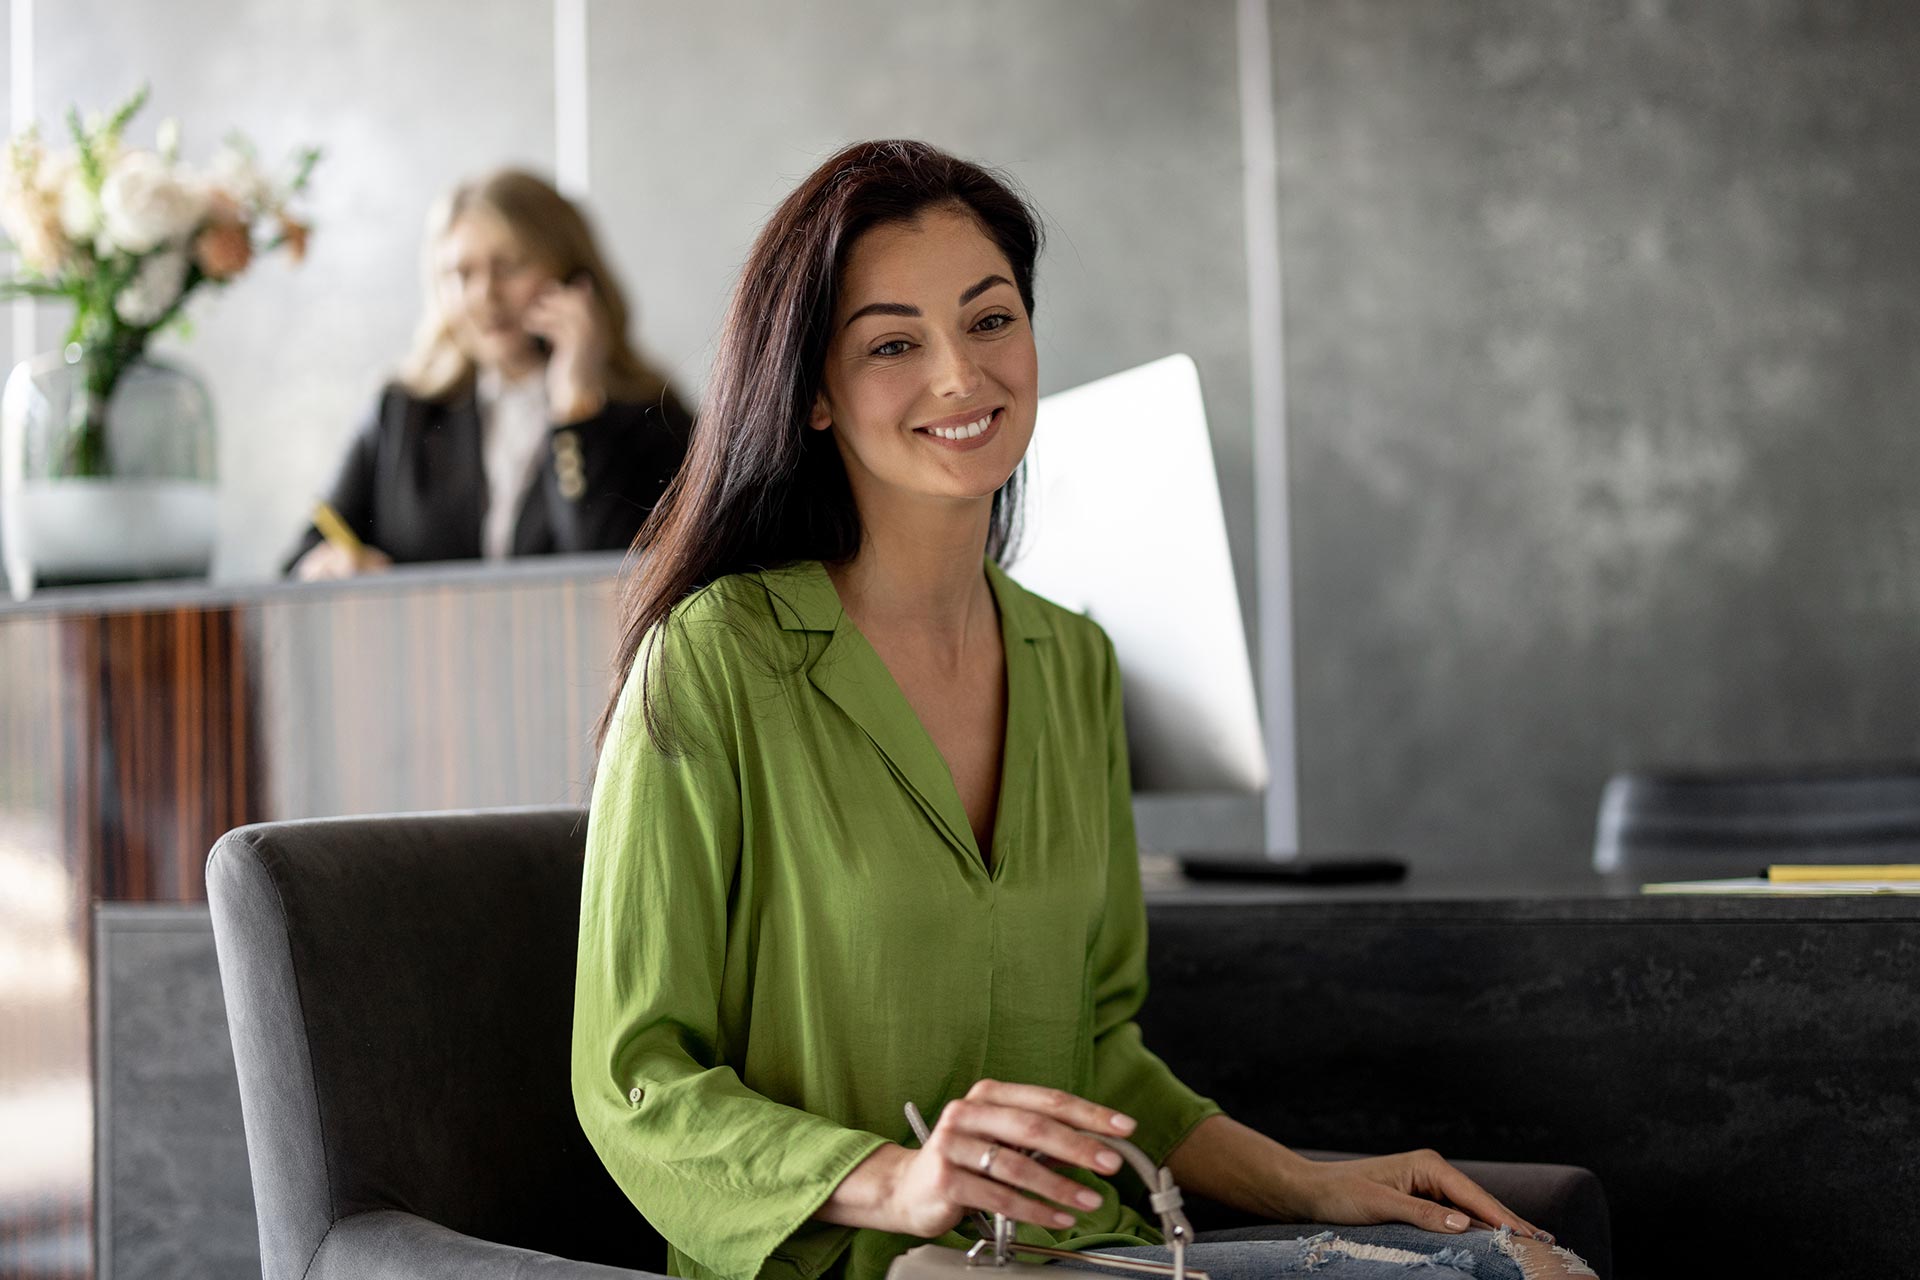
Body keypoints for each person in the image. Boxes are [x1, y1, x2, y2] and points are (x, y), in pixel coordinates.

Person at [571, 141, 1594, 1280]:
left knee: (1524, 1267)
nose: (961, 375)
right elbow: (636, 1075)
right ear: (814, 389)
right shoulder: (715, 657)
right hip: (859, 1262)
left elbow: (1096, 1053)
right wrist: (899, 1179)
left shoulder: (1071, 663)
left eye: (991, 319)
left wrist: (1312, 1179)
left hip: (1081, 1255)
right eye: (894, 343)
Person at [286, 169, 692, 579]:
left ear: (573, 277)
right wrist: (325, 565)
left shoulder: (653, 420)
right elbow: (300, 561)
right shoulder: (402, 412)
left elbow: (618, 578)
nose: (485, 295)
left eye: (508, 267)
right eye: (462, 275)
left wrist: (575, 409)